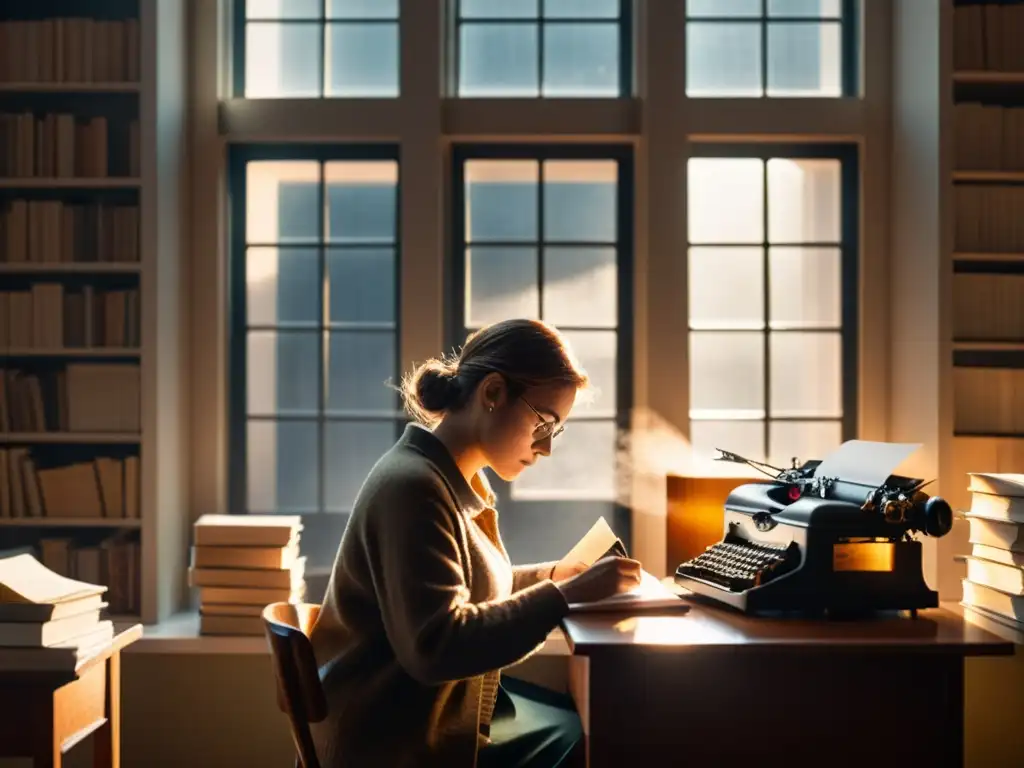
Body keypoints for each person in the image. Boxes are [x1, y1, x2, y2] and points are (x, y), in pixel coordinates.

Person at [309, 318, 642, 768]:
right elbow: (437, 647)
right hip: (393, 740)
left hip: (419, 714)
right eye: (544, 423)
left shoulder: (454, 479)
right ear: (491, 393)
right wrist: (563, 597)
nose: (545, 449)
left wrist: (551, 577)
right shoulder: (414, 489)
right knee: (599, 736)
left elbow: (471, 586)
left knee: (584, 723)